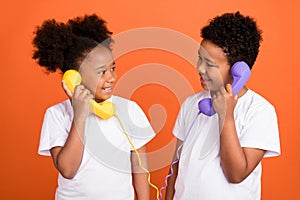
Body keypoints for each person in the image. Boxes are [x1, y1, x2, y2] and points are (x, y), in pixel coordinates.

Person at [33, 14, 155, 200]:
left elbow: (139, 166)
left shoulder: (129, 110)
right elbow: (67, 169)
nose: (111, 78)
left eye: (112, 68)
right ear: (75, 77)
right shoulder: (57, 115)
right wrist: (80, 115)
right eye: (101, 72)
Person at [165, 12, 280, 200]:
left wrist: (225, 116)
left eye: (210, 64)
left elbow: (236, 174)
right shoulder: (191, 105)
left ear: (238, 70)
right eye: (199, 58)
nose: (200, 68)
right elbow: (175, 167)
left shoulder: (259, 111)